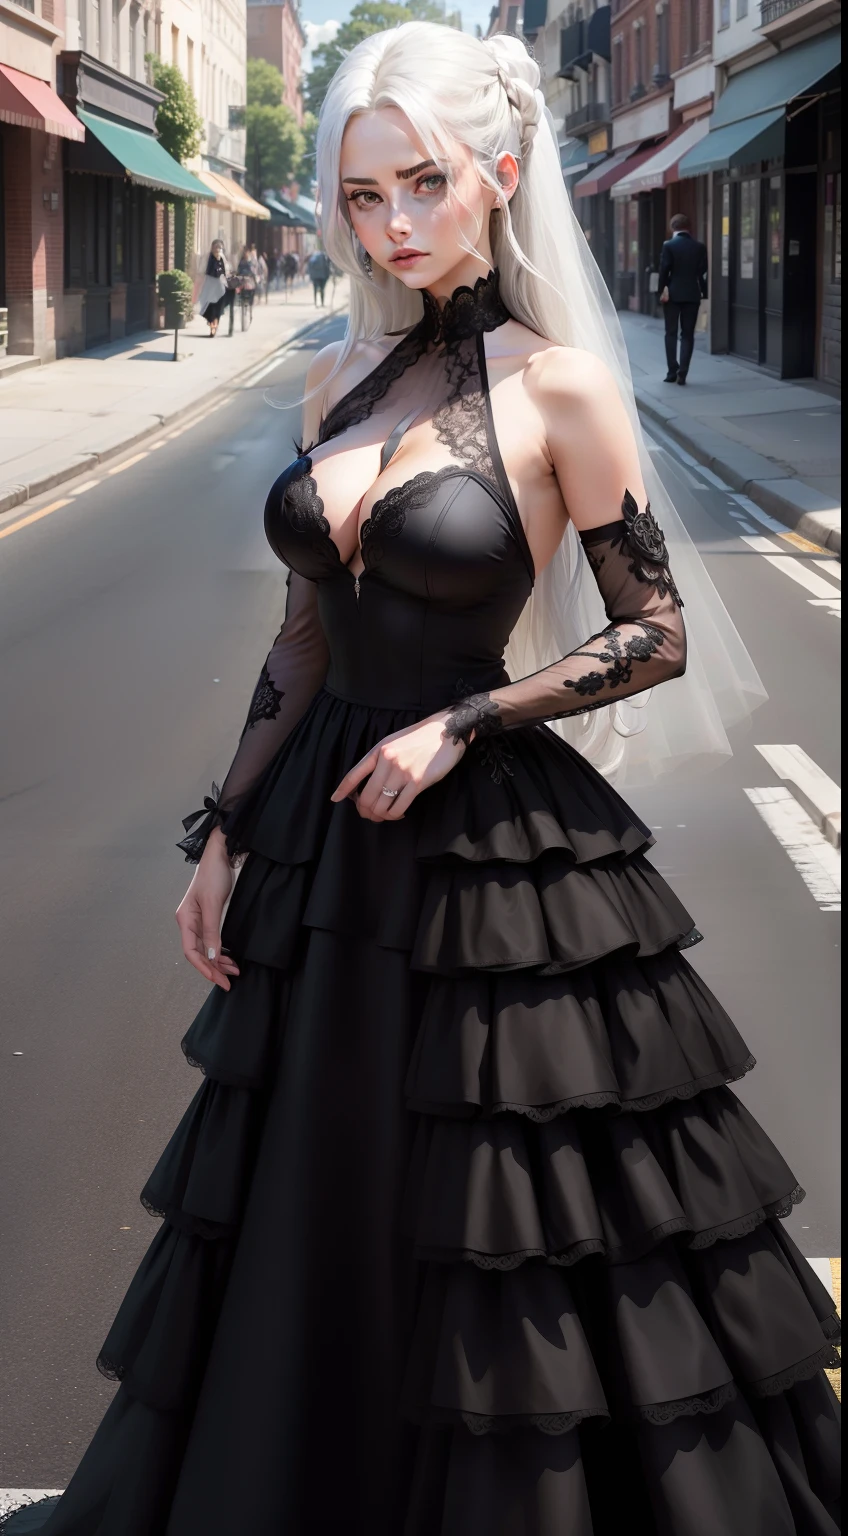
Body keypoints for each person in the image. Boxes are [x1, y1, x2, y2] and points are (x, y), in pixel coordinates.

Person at [8, 24, 838, 1536]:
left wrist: (468, 723)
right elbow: (306, 628)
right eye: (364, 194)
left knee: (512, 1220)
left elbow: (651, 631)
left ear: (498, 180)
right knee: (312, 1191)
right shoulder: (332, 378)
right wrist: (225, 833)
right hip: (330, 839)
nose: (392, 223)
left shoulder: (565, 390)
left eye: (424, 186)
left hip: (494, 852)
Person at [658, 213, 709, 386]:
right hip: (692, 294)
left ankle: (671, 371)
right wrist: (704, 292)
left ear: (673, 227)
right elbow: (702, 272)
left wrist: (661, 291)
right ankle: (683, 373)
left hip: (672, 294)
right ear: (689, 227)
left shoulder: (668, 245)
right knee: (688, 335)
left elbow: (664, 271)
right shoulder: (700, 247)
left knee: (670, 333)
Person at [196, 240, 230, 337]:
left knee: (218, 308)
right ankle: (212, 324)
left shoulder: (222, 258)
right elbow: (202, 270)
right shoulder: (207, 257)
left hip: (219, 287)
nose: (217, 250)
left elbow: (226, 270)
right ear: (212, 248)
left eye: (219, 248)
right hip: (209, 286)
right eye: (216, 247)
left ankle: (214, 326)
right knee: (209, 308)